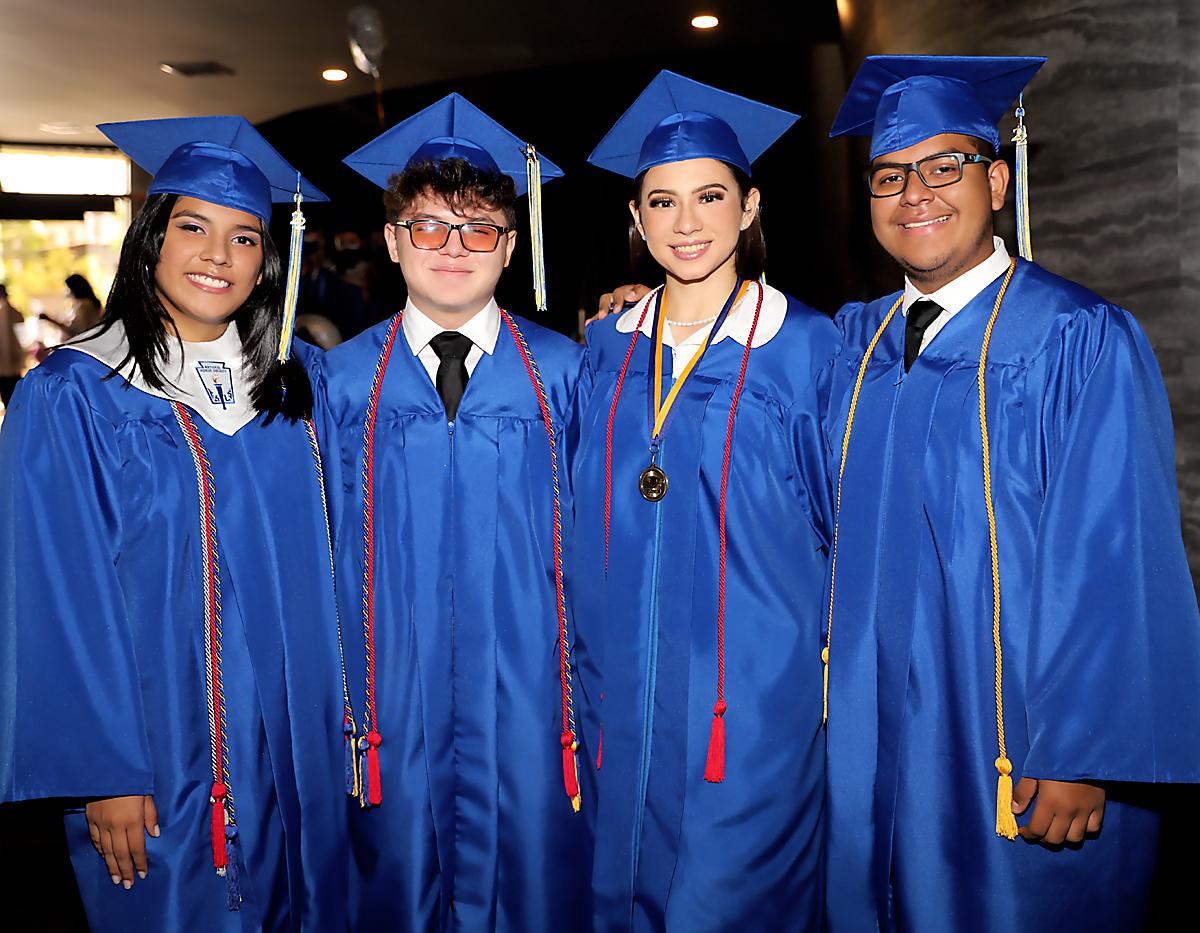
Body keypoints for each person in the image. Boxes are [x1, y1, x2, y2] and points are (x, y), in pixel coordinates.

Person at [821, 55, 1200, 931]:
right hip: (874, 731)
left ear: (996, 179)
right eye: (889, 175)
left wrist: (1083, 748)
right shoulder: (853, 343)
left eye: (943, 165)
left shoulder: (1077, 336)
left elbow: (1119, 549)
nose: (915, 193)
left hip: (1012, 741)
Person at [0, 116, 348, 931]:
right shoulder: (75, 395)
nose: (217, 256)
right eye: (193, 226)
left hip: (296, 753)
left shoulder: (303, 388)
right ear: (151, 237)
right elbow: (53, 591)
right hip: (158, 758)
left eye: (244, 237)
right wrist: (103, 769)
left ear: (270, 262)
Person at [575, 71, 839, 931]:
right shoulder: (606, 348)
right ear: (636, 217)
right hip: (621, 699)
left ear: (751, 205)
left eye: (710, 196)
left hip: (752, 706)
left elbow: (843, 532)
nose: (685, 223)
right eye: (661, 201)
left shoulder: (807, 346)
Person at [320, 94, 590, 930]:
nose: (452, 249)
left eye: (478, 229)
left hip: (538, 706)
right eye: (429, 227)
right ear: (394, 238)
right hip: (386, 707)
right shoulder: (333, 386)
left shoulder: (573, 375)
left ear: (510, 246)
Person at [0, 284, 24, 405]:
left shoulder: (7, 311)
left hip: (7, 364)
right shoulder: (14, 312)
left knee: (9, 397)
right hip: (13, 363)